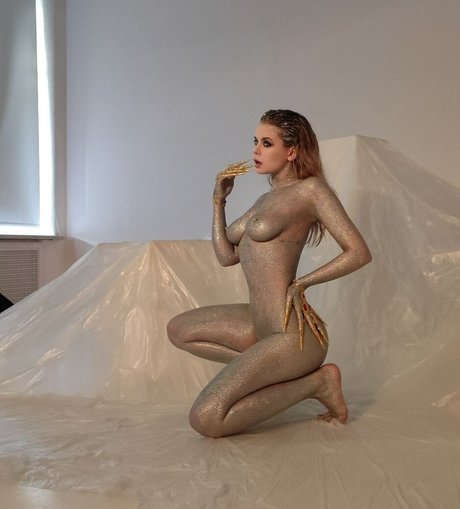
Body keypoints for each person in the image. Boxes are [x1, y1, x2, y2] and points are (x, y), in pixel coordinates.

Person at [167, 109, 372, 437]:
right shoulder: (265, 198)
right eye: (255, 142)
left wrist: (303, 282)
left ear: (291, 151)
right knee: (179, 330)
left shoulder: (311, 190)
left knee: (205, 419)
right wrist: (218, 201)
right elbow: (226, 256)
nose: (256, 151)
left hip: (291, 334)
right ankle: (272, 370)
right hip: (258, 323)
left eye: (266, 143)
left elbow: (358, 252)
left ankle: (316, 384)